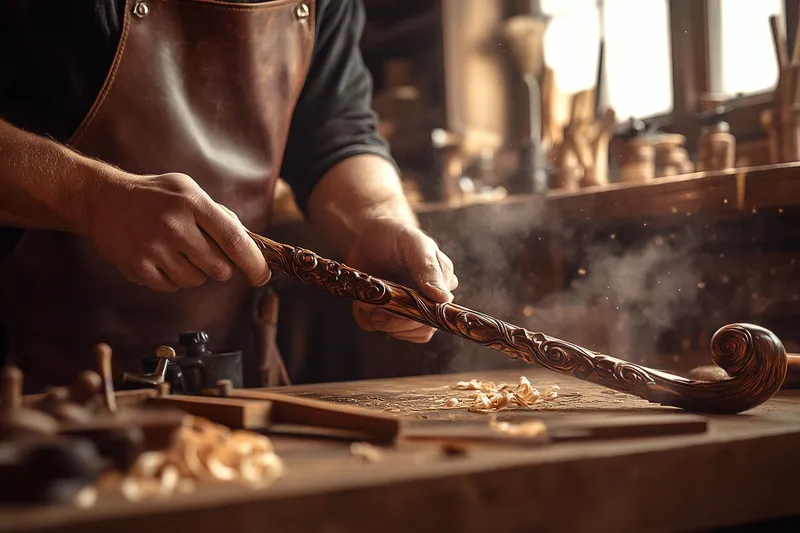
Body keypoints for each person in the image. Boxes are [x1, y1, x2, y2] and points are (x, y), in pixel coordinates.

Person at [0, 0, 458, 393]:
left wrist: (376, 218)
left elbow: (336, 133)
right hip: (35, 388)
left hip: (229, 374)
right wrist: (92, 198)